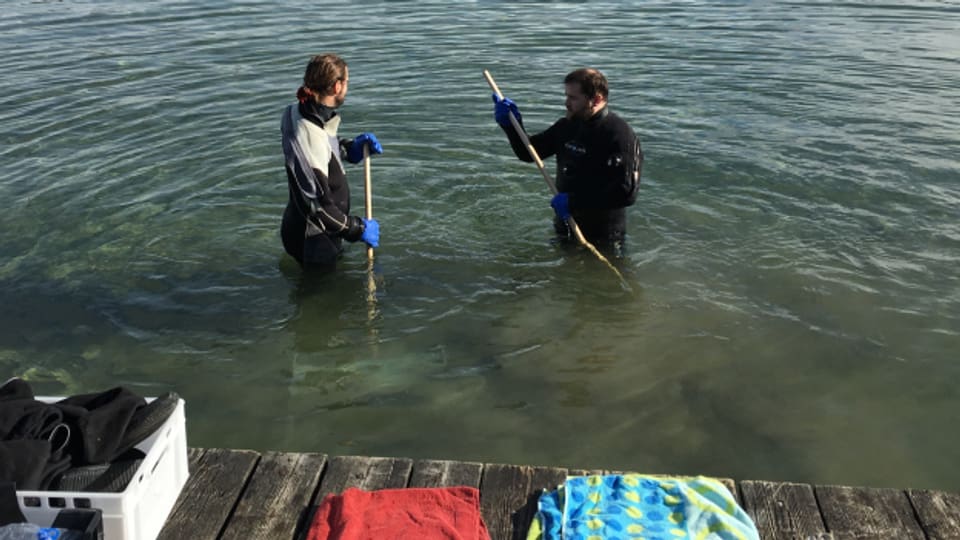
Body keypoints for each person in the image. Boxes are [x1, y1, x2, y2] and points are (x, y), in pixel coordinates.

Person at [492, 68, 642, 250]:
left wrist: (573, 201)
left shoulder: (619, 135)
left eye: (573, 98)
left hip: (604, 236)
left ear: (596, 100)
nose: (566, 103)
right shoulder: (566, 127)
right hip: (565, 226)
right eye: (566, 96)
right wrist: (511, 125)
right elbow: (529, 153)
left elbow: (626, 193)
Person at [280, 53, 382, 269]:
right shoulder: (310, 135)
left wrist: (348, 148)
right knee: (320, 299)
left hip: (307, 230)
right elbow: (319, 209)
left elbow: (320, 148)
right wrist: (358, 229)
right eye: (347, 83)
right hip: (314, 240)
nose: (347, 88)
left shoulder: (297, 111)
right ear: (337, 87)